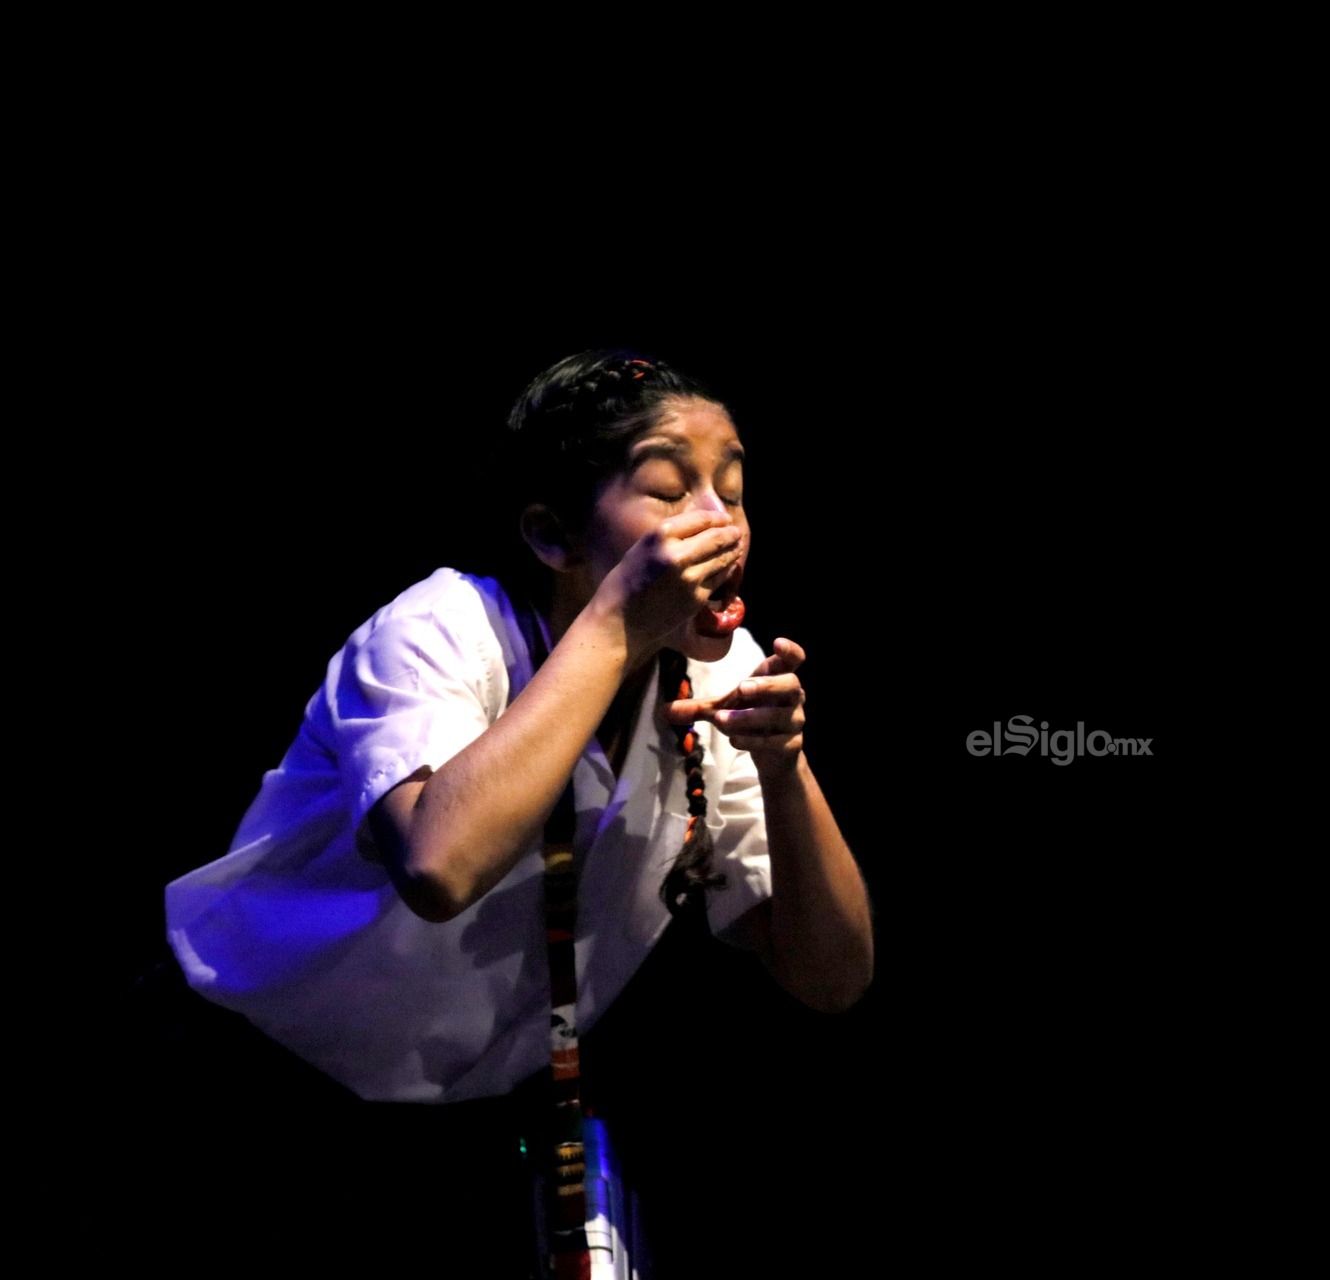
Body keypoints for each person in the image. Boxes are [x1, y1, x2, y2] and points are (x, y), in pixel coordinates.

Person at [151, 350, 873, 1276]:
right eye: (669, 490)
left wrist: (784, 767)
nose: (719, 522)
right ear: (551, 536)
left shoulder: (717, 676)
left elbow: (833, 976)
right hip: (243, 1082)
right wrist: (617, 622)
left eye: (731, 492)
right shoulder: (441, 631)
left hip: (471, 1122)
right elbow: (439, 867)